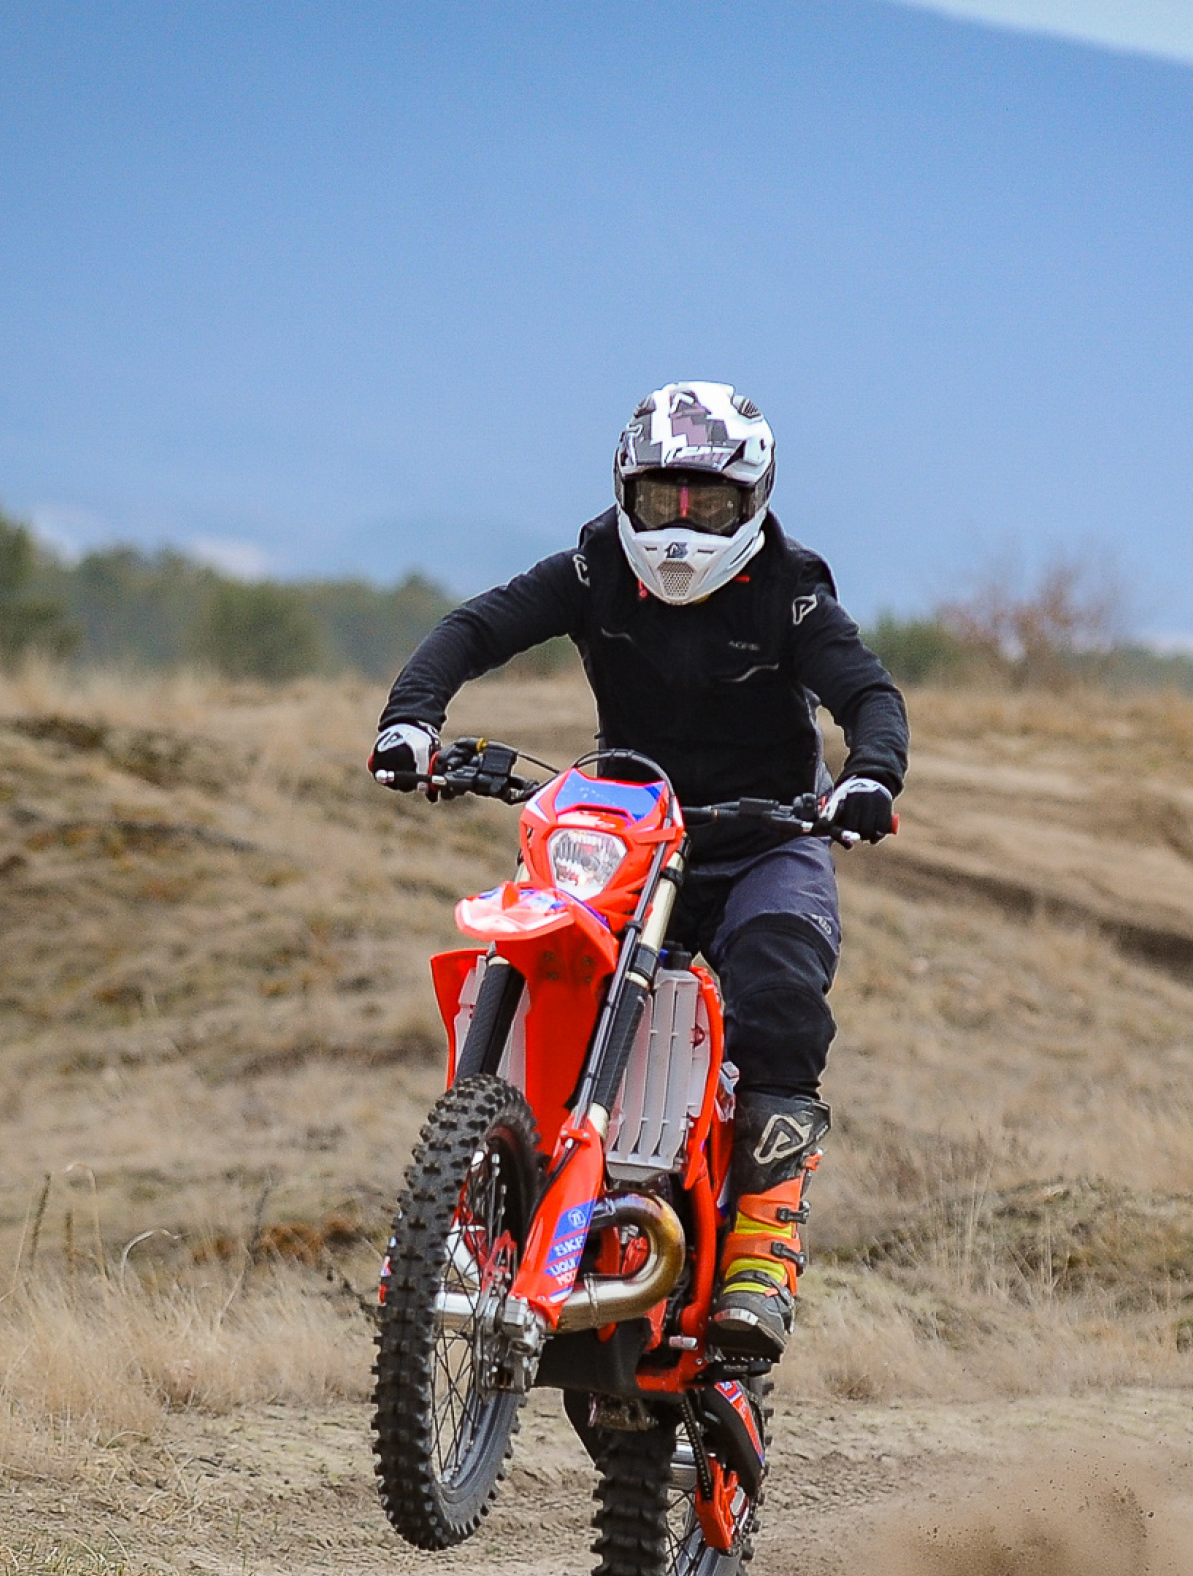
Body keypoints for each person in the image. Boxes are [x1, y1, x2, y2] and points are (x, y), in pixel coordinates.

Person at [367, 382, 907, 1360]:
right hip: (630, 832)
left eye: (709, 502)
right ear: (626, 493)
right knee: (544, 951)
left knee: (782, 977)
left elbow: (867, 691)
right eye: (662, 499)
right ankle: (470, 1205)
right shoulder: (595, 567)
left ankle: (761, 1247)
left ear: (755, 501)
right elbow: (474, 628)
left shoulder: (791, 590)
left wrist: (869, 777)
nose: (682, 525)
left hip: (765, 836)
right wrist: (411, 720)